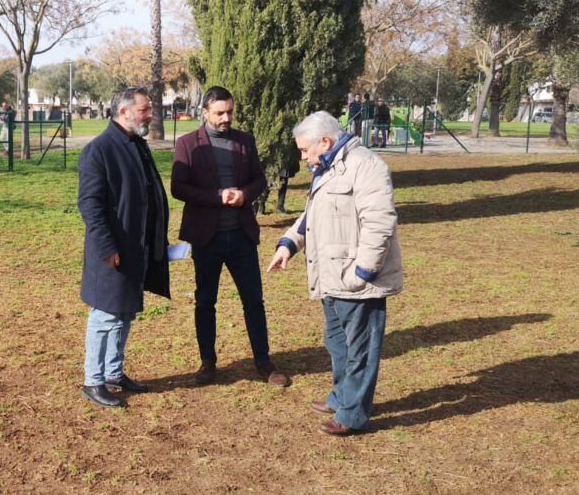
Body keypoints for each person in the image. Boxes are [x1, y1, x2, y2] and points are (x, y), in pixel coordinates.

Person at [267, 110, 402, 436]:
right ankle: (342, 396)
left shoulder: (365, 166)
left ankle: (353, 414)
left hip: (356, 281)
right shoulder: (328, 168)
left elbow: (380, 222)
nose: (302, 156)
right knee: (337, 344)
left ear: (325, 141)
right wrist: (289, 244)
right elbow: (313, 214)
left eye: (304, 150)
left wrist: (363, 272)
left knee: (360, 351)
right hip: (331, 278)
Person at [170, 86, 289, 387]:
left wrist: (244, 194)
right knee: (205, 301)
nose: (226, 118)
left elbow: (259, 180)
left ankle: (263, 361)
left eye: (230, 112)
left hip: (241, 236)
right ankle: (207, 363)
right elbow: (179, 188)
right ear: (205, 112)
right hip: (206, 238)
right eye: (220, 113)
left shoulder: (244, 141)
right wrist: (217, 195)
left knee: (254, 300)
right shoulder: (187, 144)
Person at [77, 87, 170, 408]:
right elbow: (90, 205)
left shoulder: (136, 144)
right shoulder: (99, 150)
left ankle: (114, 373)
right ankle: (93, 380)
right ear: (123, 112)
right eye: (144, 110)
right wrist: (107, 248)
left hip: (136, 247)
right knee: (105, 315)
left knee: (125, 313)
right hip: (113, 252)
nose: (150, 114)